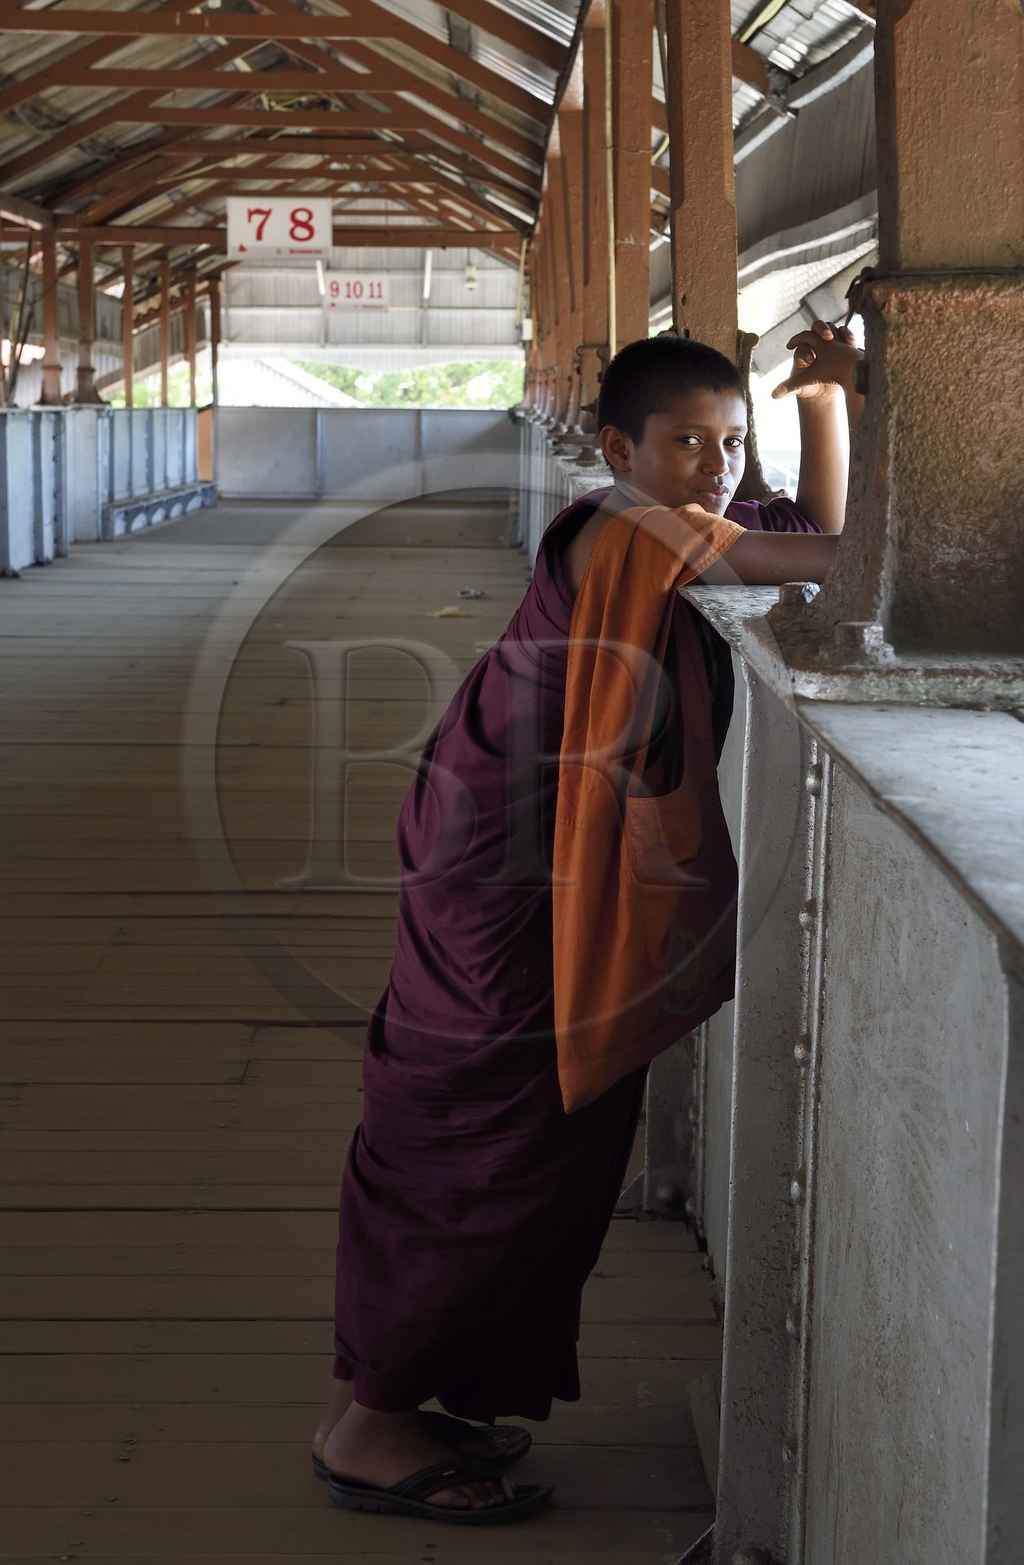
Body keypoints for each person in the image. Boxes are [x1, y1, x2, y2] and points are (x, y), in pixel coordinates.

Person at [313, 323, 864, 1524]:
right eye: (685, 443)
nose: (712, 468)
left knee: (527, 1144)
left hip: (511, 846)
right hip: (511, 875)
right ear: (617, 448)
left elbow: (807, 542)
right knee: (487, 1140)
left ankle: (403, 1396)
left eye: (729, 444)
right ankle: (369, 1423)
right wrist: (838, 399)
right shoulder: (636, 527)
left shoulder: (658, 525)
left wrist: (818, 400)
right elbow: (842, 550)